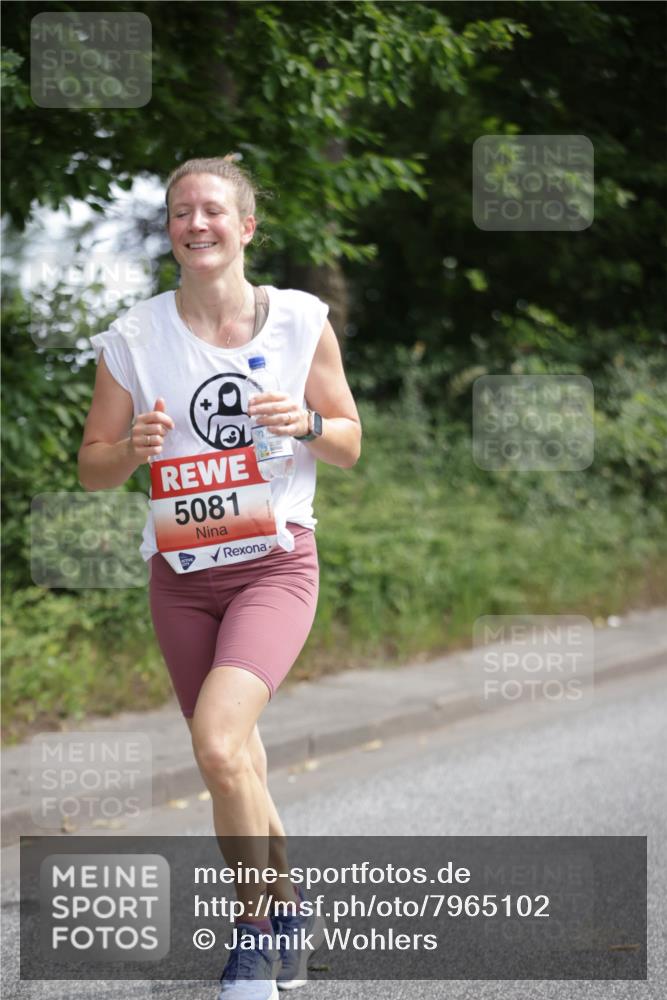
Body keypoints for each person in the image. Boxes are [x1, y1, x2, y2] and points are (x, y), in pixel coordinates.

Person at [78, 155, 362, 999]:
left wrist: (307, 421)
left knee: (214, 744)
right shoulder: (134, 336)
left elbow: (348, 443)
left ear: (246, 227)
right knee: (235, 760)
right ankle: (290, 914)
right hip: (182, 576)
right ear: (170, 232)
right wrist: (129, 451)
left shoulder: (300, 319)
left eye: (211, 211)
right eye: (178, 214)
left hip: (272, 566)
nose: (194, 224)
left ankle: (252, 944)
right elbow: (92, 466)